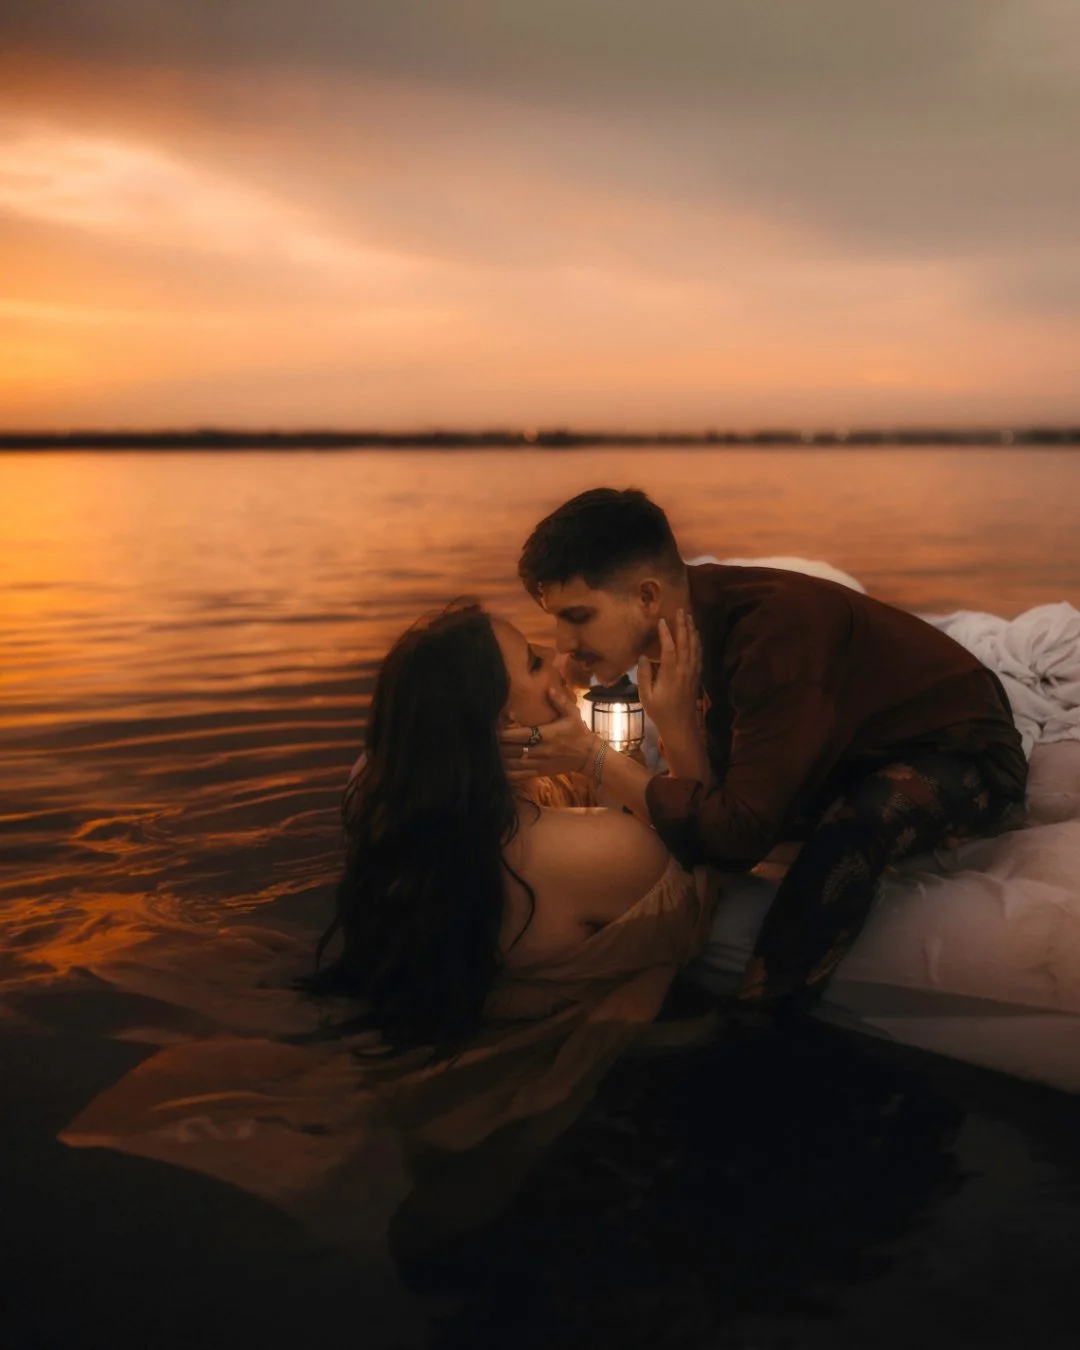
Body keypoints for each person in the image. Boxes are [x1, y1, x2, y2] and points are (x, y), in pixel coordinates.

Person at [502, 488, 1029, 1014]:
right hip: (847, 746)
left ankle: (765, 1018)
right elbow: (716, 813)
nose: (562, 644)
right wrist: (679, 727)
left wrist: (593, 758)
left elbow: (737, 839)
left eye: (576, 617)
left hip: (963, 751)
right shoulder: (672, 638)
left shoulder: (775, 638)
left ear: (646, 597)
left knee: (852, 827)